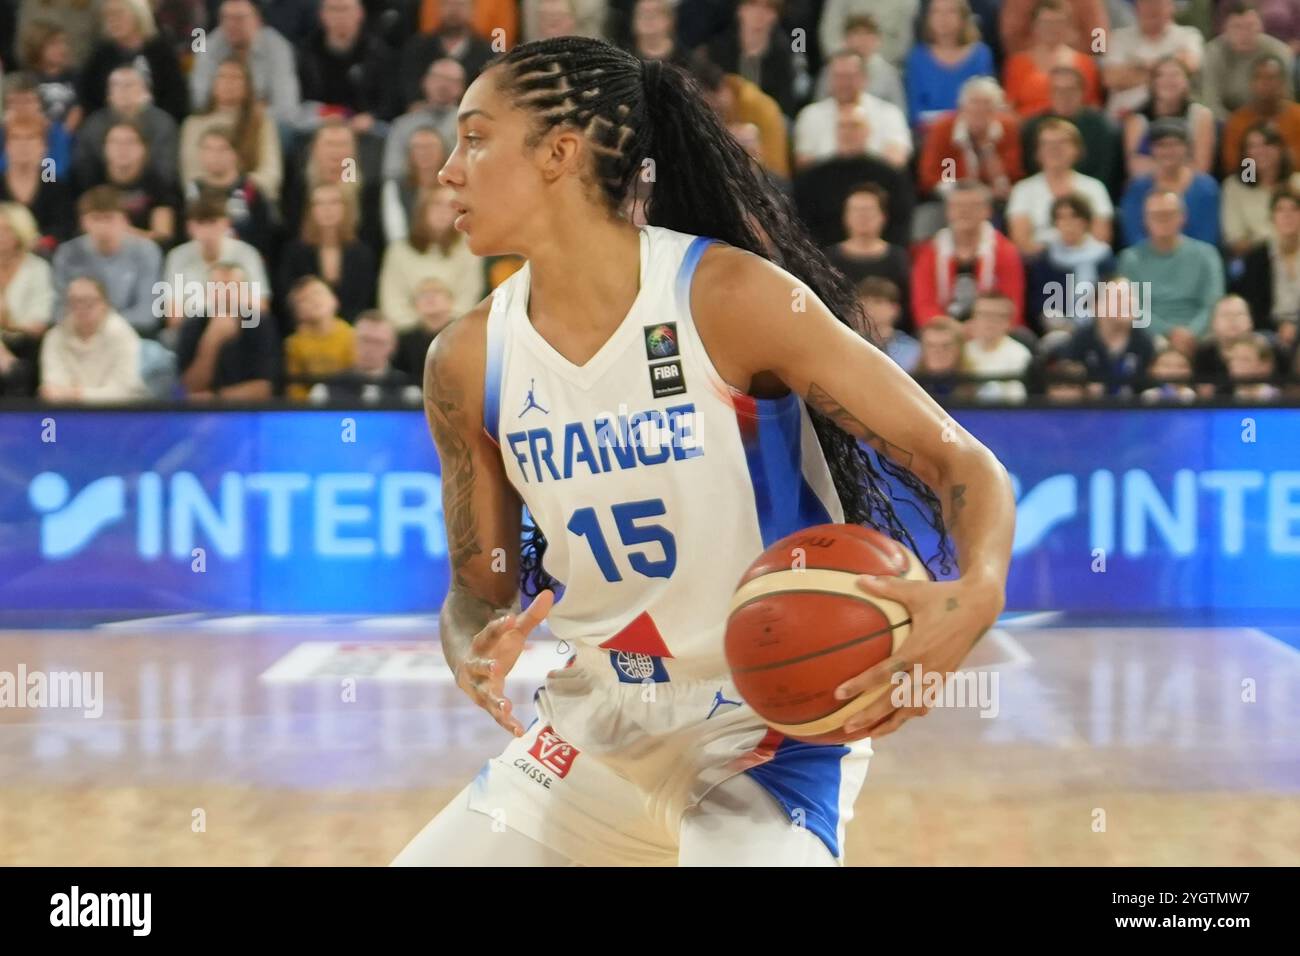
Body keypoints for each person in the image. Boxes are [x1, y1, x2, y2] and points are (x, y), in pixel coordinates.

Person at [393, 37, 1014, 868]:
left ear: (559, 153)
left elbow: (961, 463)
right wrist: (473, 640)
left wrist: (976, 591)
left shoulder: (729, 298)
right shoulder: (466, 361)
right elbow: (476, 590)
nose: (447, 169)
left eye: (474, 138)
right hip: (592, 731)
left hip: (765, 731)